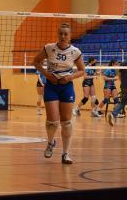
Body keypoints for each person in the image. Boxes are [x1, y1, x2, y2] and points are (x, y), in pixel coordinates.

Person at [33, 23, 86, 164]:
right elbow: (36, 61)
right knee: (52, 121)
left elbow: (82, 70)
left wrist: (70, 77)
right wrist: (46, 74)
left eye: (65, 34)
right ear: (58, 34)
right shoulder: (49, 48)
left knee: (66, 122)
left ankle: (66, 154)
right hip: (51, 86)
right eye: (61, 33)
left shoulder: (75, 51)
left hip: (66, 87)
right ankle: (50, 143)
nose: (63, 36)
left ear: (70, 36)